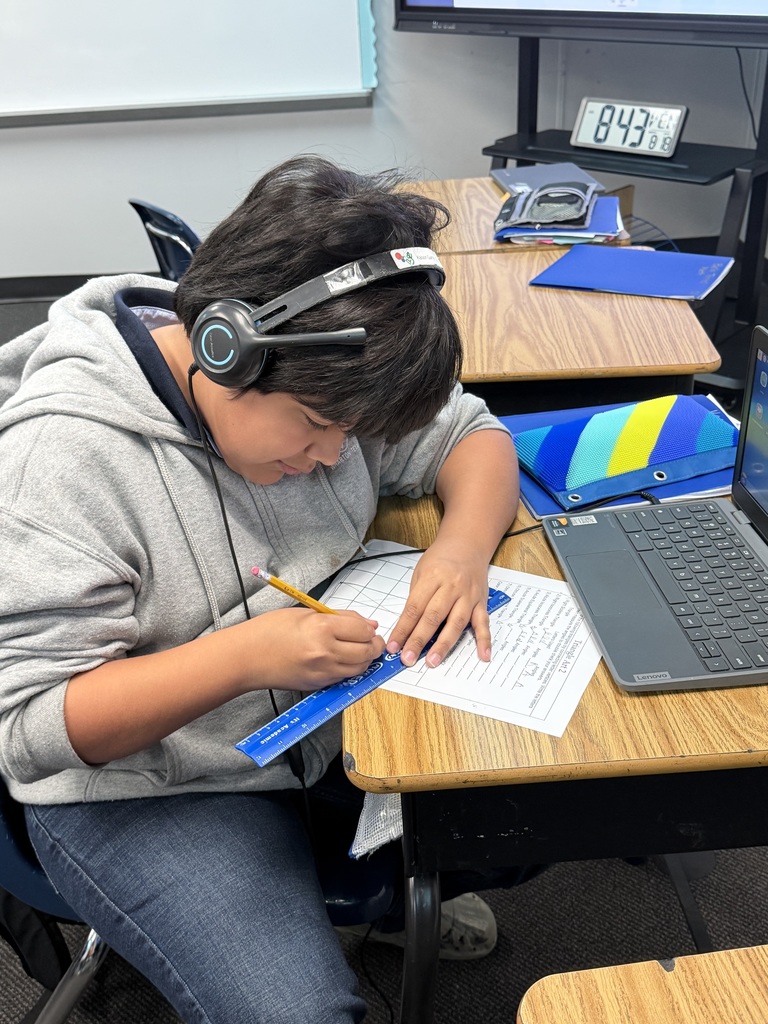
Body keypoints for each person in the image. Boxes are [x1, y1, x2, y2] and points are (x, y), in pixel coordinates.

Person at [0, 155, 526, 1023]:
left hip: (309, 717)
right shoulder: (60, 462)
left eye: (351, 436)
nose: (332, 456)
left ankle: (381, 885)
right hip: (150, 786)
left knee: (542, 800)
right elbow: (31, 729)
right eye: (318, 430)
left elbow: (472, 435)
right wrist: (243, 658)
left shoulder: (324, 380)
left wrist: (463, 549)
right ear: (225, 347)